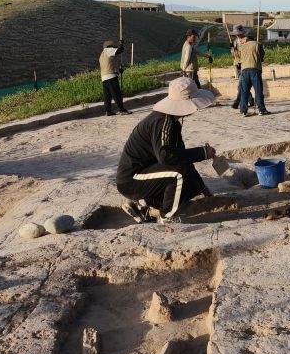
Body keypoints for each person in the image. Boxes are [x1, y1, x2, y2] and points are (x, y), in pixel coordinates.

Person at [117, 76, 216, 227]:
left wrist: (202, 188)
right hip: (132, 179)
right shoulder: (163, 122)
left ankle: (145, 205)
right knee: (178, 173)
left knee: (192, 186)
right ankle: (165, 217)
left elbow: (182, 157)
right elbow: (167, 157)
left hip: (147, 172)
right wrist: (202, 152)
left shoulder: (171, 121)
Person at [237, 29, 270, 116]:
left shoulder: (241, 46)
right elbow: (262, 57)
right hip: (255, 70)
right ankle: (261, 110)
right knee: (258, 90)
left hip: (244, 71)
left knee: (244, 91)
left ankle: (243, 111)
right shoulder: (257, 44)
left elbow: (238, 60)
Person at [99, 40, 129, 116]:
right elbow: (120, 50)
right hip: (111, 76)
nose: (113, 48)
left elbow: (109, 65)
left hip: (104, 78)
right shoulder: (108, 50)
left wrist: (118, 71)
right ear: (110, 46)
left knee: (107, 96)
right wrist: (121, 44)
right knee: (117, 94)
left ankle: (108, 111)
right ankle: (122, 110)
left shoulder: (102, 54)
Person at [229, 25, 246, 110]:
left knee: (240, 85)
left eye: (239, 34)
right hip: (238, 65)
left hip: (244, 64)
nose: (237, 35)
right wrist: (232, 49)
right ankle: (251, 99)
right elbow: (233, 55)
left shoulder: (246, 41)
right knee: (243, 84)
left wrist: (237, 51)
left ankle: (237, 102)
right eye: (236, 34)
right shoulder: (235, 42)